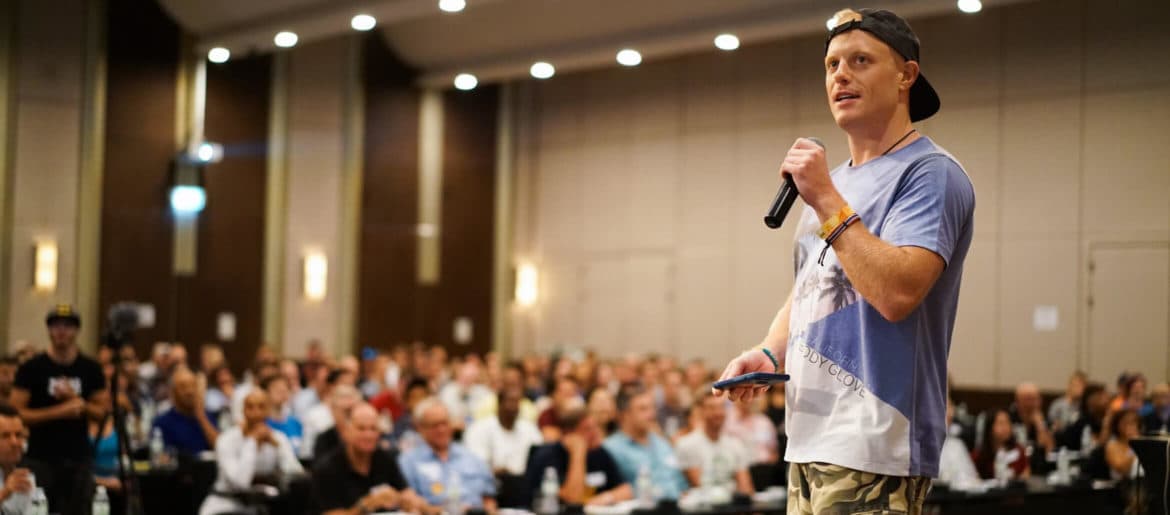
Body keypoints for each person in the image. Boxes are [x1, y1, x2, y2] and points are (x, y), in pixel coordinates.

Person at [714, 7, 975, 513]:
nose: (840, 75)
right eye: (832, 64)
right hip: (809, 434)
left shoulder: (929, 173)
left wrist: (828, 201)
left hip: (877, 439)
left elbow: (898, 293)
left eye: (860, 60)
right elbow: (815, 285)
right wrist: (770, 350)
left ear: (907, 76)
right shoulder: (832, 183)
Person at [12, 305, 105, 514]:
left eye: (67, 326)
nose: (61, 331)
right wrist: (60, 411)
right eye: (55, 326)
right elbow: (16, 412)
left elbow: (102, 411)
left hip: (78, 457)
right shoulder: (32, 368)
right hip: (40, 457)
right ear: (49, 330)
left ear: (77, 330)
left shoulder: (90, 368)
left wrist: (79, 403)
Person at [199, 390, 304, 515]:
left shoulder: (278, 438)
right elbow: (240, 483)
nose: (256, 413)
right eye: (250, 407)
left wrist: (279, 448)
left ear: (268, 411)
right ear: (243, 410)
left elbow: (296, 473)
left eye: (261, 407)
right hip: (225, 505)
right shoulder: (227, 440)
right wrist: (252, 443)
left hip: (261, 507)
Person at [311, 403, 419, 514]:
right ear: (346, 432)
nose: (368, 435)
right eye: (361, 429)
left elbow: (408, 494)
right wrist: (365, 505)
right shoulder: (327, 468)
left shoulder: (385, 458)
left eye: (373, 429)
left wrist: (403, 500)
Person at [397, 398, 497, 512]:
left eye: (444, 423)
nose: (441, 429)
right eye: (435, 425)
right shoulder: (409, 462)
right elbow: (408, 503)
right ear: (421, 428)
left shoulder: (471, 457)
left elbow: (489, 498)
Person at [526, 402, 632, 506]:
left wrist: (606, 497)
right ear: (569, 434)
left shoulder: (599, 452)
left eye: (596, 426)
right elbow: (573, 499)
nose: (595, 433)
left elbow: (627, 490)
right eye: (587, 429)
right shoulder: (548, 456)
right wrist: (577, 453)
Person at [603, 388, 689, 500]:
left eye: (652, 408)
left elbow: (681, 486)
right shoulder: (611, 449)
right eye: (643, 409)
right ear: (625, 415)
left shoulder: (662, 443)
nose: (651, 414)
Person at [675, 392, 753, 493]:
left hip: (735, 506)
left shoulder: (735, 444)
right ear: (701, 411)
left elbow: (746, 488)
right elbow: (700, 487)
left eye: (721, 407)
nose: (718, 412)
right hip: (703, 506)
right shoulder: (686, 445)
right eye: (712, 408)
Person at [464, 387, 542, 477]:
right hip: (491, 483)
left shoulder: (529, 429)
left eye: (517, 402)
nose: (514, 407)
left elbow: (539, 456)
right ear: (499, 403)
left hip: (524, 482)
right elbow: (476, 465)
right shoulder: (479, 428)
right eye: (511, 401)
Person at [0, 404, 54, 515]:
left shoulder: (35, 472)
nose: (14, 442)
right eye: (5, 436)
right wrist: (4, 494)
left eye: (18, 435)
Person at [152, 368, 219, 454]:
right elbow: (161, 457)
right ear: (173, 392)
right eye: (183, 387)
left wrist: (201, 417)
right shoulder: (162, 423)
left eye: (193, 386)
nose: (189, 391)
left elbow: (220, 447)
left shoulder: (208, 416)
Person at [970, 409, 1029, 480]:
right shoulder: (979, 455)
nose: (1006, 427)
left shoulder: (1019, 451)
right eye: (1001, 423)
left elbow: (1026, 475)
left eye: (1008, 423)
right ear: (990, 427)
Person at [308, 385, 361, 460]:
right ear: (332, 410)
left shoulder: (369, 435)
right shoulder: (324, 438)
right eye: (345, 412)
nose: (348, 418)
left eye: (351, 411)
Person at [724, 396, 779, 464]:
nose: (747, 400)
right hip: (738, 467)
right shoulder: (726, 421)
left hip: (765, 468)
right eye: (741, 396)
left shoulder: (764, 422)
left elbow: (774, 451)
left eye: (750, 396)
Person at [936, 398, 978, 487]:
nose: (950, 412)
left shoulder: (957, 444)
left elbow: (973, 478)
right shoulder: (921, 445)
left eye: (951, 406)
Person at [1058, 382, 1109, 451]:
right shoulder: (1083, 423)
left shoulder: (1104, 420)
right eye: (1101, 397)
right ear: (1090, 401)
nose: (1107, 400)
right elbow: (1094, 450)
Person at [261, 375, 303, 455]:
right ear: (266, 393)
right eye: (276, 388)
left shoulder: (296, 422)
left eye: (285, 387)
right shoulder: (262, 424)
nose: (282, 391)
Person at [538, 376, 581, 442]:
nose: (568, 397)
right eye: (564, 392)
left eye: (571, 392)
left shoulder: (581, 416)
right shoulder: (547, 414)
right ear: (554, 395)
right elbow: (549, 436)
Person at [1105, 409, 1143, 481]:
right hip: (1122, 486)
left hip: (1143, 483)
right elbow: (1122, 469)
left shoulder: (1144, 442)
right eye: (1126, 422)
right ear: (1117, 424)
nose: (1131, 426)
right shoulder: (1112, 445)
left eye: (1133, 422)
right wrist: (1134, 446)